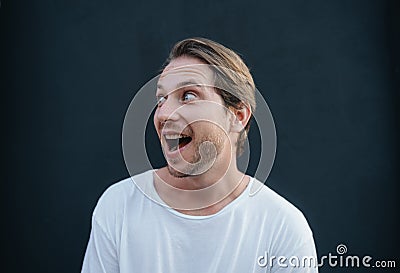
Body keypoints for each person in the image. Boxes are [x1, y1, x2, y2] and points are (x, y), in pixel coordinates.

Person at [81, 38, 318, 272]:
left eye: (188, 96)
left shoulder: (284, 228)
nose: (164, 114)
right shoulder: (118, 207)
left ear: (237, 116)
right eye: (161, 99)